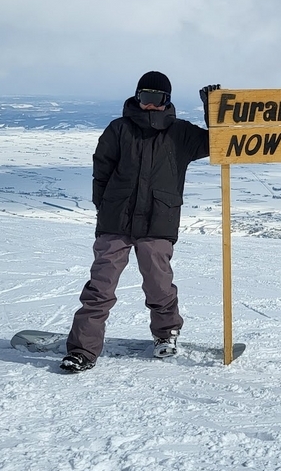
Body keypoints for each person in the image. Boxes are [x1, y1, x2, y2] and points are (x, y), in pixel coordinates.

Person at [61, 71, 220, 373]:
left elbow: (218, 143)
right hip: (115, 222)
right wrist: (105, 207)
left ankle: (166, 334)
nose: (148, 105)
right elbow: (101, 171)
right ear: (136, 97)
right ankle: (83, 350)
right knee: (100, 288)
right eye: (143, 97)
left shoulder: (181, 134)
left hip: (158, 221)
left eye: (155, 99)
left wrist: (213, 110)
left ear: (166, 100)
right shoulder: (118, 130)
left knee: (158, 285)